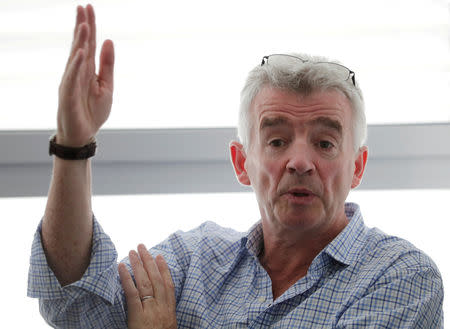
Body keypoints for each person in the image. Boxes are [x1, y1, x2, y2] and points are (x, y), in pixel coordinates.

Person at [28, 4, 443, 329]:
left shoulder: (399, 277)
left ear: (358, 167)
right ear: (242, 162)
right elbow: (76, 301)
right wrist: (73, 144)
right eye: (277, 140)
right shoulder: (193, 261)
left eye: (325, 143)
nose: (300, 162)